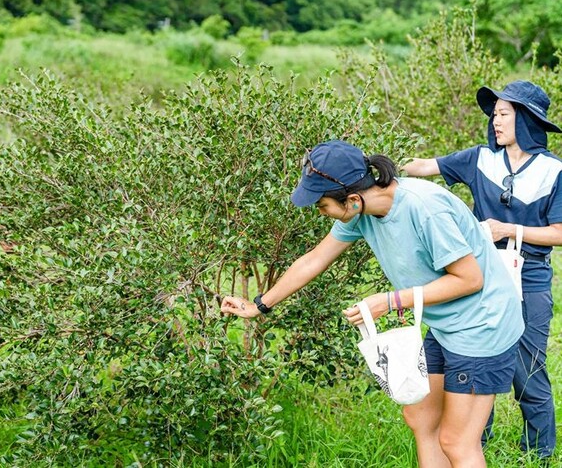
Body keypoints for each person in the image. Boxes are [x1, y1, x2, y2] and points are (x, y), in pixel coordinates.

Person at [222, 140, 524, 467]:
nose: (319, 212)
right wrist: (259, 305)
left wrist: (390, 301)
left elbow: (470, 279)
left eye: (321, 205)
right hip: (446, 324)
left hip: (483, 324)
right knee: (421, 419)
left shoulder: (424, 208)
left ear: (352, 200)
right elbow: (314, 260)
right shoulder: (361, 212)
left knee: (457, 440)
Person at [403, 80, 562, 461]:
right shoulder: (480, 159)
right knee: (472, 361)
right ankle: (472, 448)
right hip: (480, 279)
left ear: (526, 119)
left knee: (528, 369)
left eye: (504, 114)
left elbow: (559, 231)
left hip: (530, 277)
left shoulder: (554, 171)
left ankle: (539, 455)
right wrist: (374, 168)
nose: (495, 122)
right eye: (494, 115)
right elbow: (426, 167)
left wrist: (510, 230)